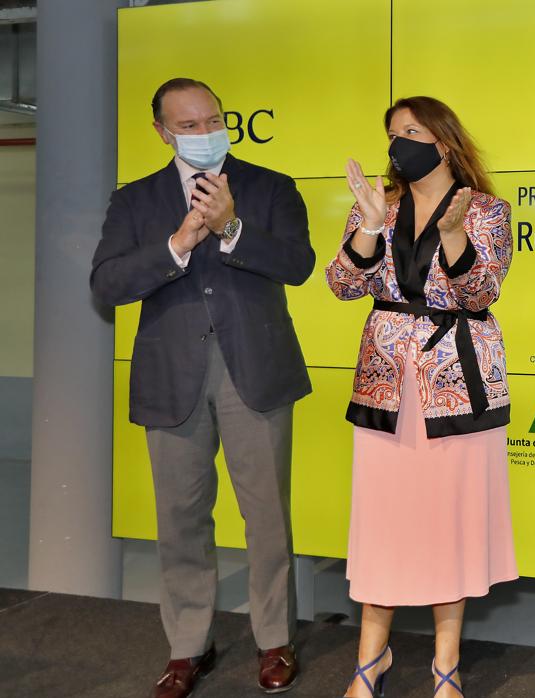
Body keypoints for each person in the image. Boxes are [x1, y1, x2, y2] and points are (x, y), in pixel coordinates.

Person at [90, 78, 314, 697]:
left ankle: (275, 641)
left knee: (267, 516)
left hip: (255, 371)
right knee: (181, 519)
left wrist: (233, 226)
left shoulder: (270, 187)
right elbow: (107, 284)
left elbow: (298, 263)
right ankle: (189, 646)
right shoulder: (134, 201)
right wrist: (178, 244)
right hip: (171, 378)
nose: (205, 131)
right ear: (161, 131)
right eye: (188, 125)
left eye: (213, 119)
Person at [326, 96, 516, 698]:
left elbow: (480, 291)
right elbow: (341, 284)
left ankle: (446, 665)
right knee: (380, 524)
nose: (398, 142)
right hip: (386, 383)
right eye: (392, 132)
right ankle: (369, 662)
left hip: (455, 385)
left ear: (443, 138)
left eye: (410, 130)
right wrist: (371, 226)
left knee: (448, 525)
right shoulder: (380, 205)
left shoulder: (486, 210)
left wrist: (456, 236)